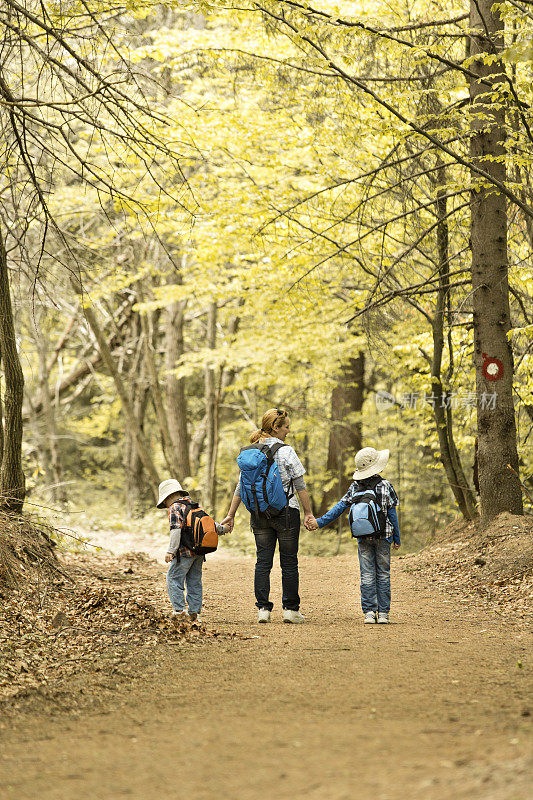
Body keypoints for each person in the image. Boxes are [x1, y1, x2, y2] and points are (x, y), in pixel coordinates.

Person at [222, 408, 315, 624]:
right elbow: (300, 485)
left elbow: (241, 486)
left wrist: (231, 514)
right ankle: (290, 610)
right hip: (286, 512)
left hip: (259, 513)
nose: (288, 431)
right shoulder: (286, 451)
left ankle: (263, 609)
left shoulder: (252, 452)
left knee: (263, 561)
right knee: (289, 562)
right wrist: (308, 513)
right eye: (286, 427)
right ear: (275, 427)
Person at [306, 447, 400, 624]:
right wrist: (397, 538)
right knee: (383, 574)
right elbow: (392, 515)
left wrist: (319, 522)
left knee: (367, 575)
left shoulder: (354, 487)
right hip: (384, 537)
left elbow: (339, 508)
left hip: (363, 537)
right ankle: (384, 614)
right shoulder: (386, 485)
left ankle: (369, 613)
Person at [156, 479, 227, 623]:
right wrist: (223, 529)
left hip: (183, 553)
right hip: (199, 552)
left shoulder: (175, 508)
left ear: (169, 496)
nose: (165, 505)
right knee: (194, 581)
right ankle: (195, 613)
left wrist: (171, 551)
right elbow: (210, 524)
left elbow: (176, 531)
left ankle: (179, 611)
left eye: (164, 502)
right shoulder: (195, 506)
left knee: (173, 579)